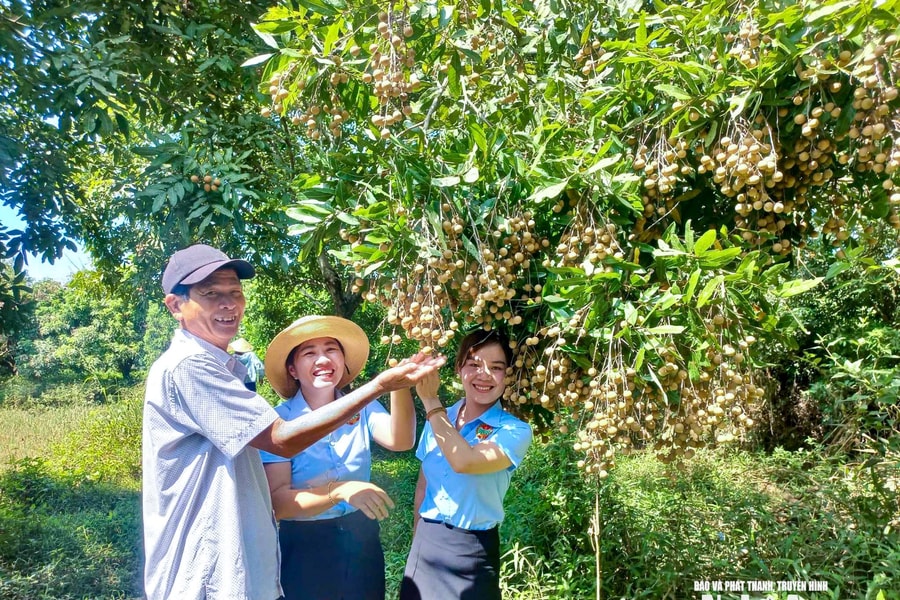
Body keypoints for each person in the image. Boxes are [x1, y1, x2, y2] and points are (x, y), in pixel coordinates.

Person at [141, 243, 445, 600]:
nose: (228, 304)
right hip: (208, 573)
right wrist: (379, 386)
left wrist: (399, 386)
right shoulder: (191, 367)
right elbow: (282, 443)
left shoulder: (226, 373)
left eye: (235, 293)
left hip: (246, 564)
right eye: (210, 294)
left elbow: (399, 439)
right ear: (176, 305)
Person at [260, 315, 416, 600]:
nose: (323, 359)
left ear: (343, 362)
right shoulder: (279, 423)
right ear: (293, 370)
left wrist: (401, 386)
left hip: (362, 539)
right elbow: (279, 504)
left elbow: (401, 441)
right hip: (306, 546)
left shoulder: (364, 408)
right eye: (310, 352)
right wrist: (340, 491)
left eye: (331, 349)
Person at [399, 328, 533, 600]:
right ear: (459, 369)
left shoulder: (514, 430)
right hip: (426, 545)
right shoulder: (441, 418)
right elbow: (423, 487)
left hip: (472, 551)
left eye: (496, 367)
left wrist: (430, 400)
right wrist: (418, 541)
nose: (484, 375)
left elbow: (466, 461)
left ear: (508, 375)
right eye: (473, 365)